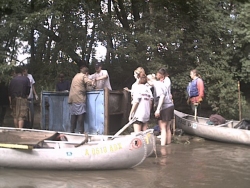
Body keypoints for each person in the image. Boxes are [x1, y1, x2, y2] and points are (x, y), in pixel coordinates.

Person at [148, 68, 174, 146]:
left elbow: (162, 96)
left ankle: (163, 148)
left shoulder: (157, 84)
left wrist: (158, 109)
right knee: (168, 128)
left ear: (151, 80)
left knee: (163, 129)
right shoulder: (162, 83)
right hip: (170, 106)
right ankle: (168, 146)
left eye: (148, 81)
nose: (148, 83)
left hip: (165, 107)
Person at [68, 66, 94, 133]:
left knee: (73, 114)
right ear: (86, 73)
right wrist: (93, 82)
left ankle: (72, 130)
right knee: (81, 114)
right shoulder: (83, 76)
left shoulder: (76, 75)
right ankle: (81, 131)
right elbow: (89, 82)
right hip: (79, 97)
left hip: (72, 98)